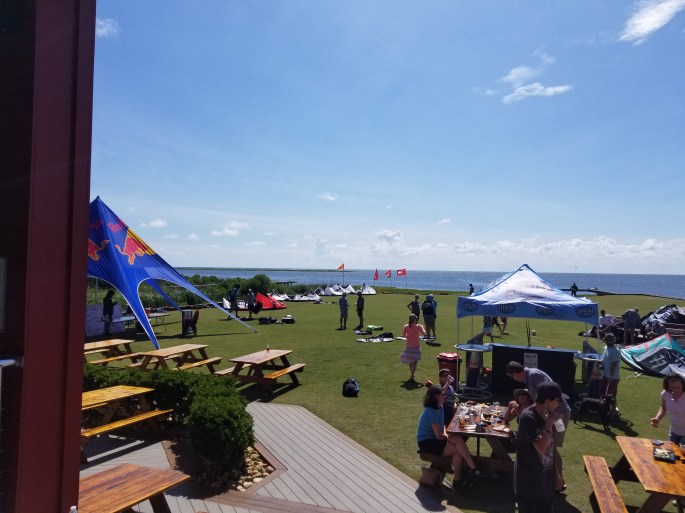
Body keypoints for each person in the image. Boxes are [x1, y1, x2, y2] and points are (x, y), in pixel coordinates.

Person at [506, 361, 571, 493]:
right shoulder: (530, 377)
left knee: (551, 447)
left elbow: (550, 395)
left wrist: (548, 417)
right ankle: (554, 480)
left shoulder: (534, 375)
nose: (514, 379)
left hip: (558, 414)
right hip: (551, 414)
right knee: (548, 446)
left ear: (515, 374)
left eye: (512, 376)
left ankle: (558, 481)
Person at [417, 385, 481, 491]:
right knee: (457, 445)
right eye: (443, 394)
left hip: (435, 439)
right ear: (436, 396)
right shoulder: (430, 411)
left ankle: (464, 474)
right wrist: (446, 436)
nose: (445, 395)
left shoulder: (440, 407)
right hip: (427, 442)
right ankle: (467, 472)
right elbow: (438, 436)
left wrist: (446, 434)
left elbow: (442, 425)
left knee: (457, 441)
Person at [514, 382, 564, 513]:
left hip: (545, 483)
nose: (559, 404)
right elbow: (540, 448)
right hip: (529, 484)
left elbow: (550, 449)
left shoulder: (547, 415)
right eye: (558, 400)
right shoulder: (528, 417)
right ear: (547, 401)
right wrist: (549, 424)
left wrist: (556, 474)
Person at [650, 373, 685, 444]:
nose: (676, 390)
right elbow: (663, 408)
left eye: (678, 387)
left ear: (683, 384)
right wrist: (657, 418)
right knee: (672, 450)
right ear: (668, 386)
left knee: (682, 450)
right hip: (674, 430)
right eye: (672, 387)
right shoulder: (666, 394)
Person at [399, 314, 425, 383]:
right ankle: (412, 375)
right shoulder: (418, 326)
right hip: (416, 346)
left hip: (408, 346)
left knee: (410, 361)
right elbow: (424, 333)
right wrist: (422, 327)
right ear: (414, 320)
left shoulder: (406, 326)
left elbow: (403, 335)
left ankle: (412, 374)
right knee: (414, 361)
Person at [600, 333, 621, 410]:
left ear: (614, 340)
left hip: (613, 377)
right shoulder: (606, 348)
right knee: (603, 393)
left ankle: (613, 411)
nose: (608, 341)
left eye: (610, 340)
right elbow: (604, 359)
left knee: (612, 395)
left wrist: (610, 376)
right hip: (605, 375)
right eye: (606, 340)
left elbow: (614, 365)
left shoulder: (616, 351)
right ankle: (605, 409)